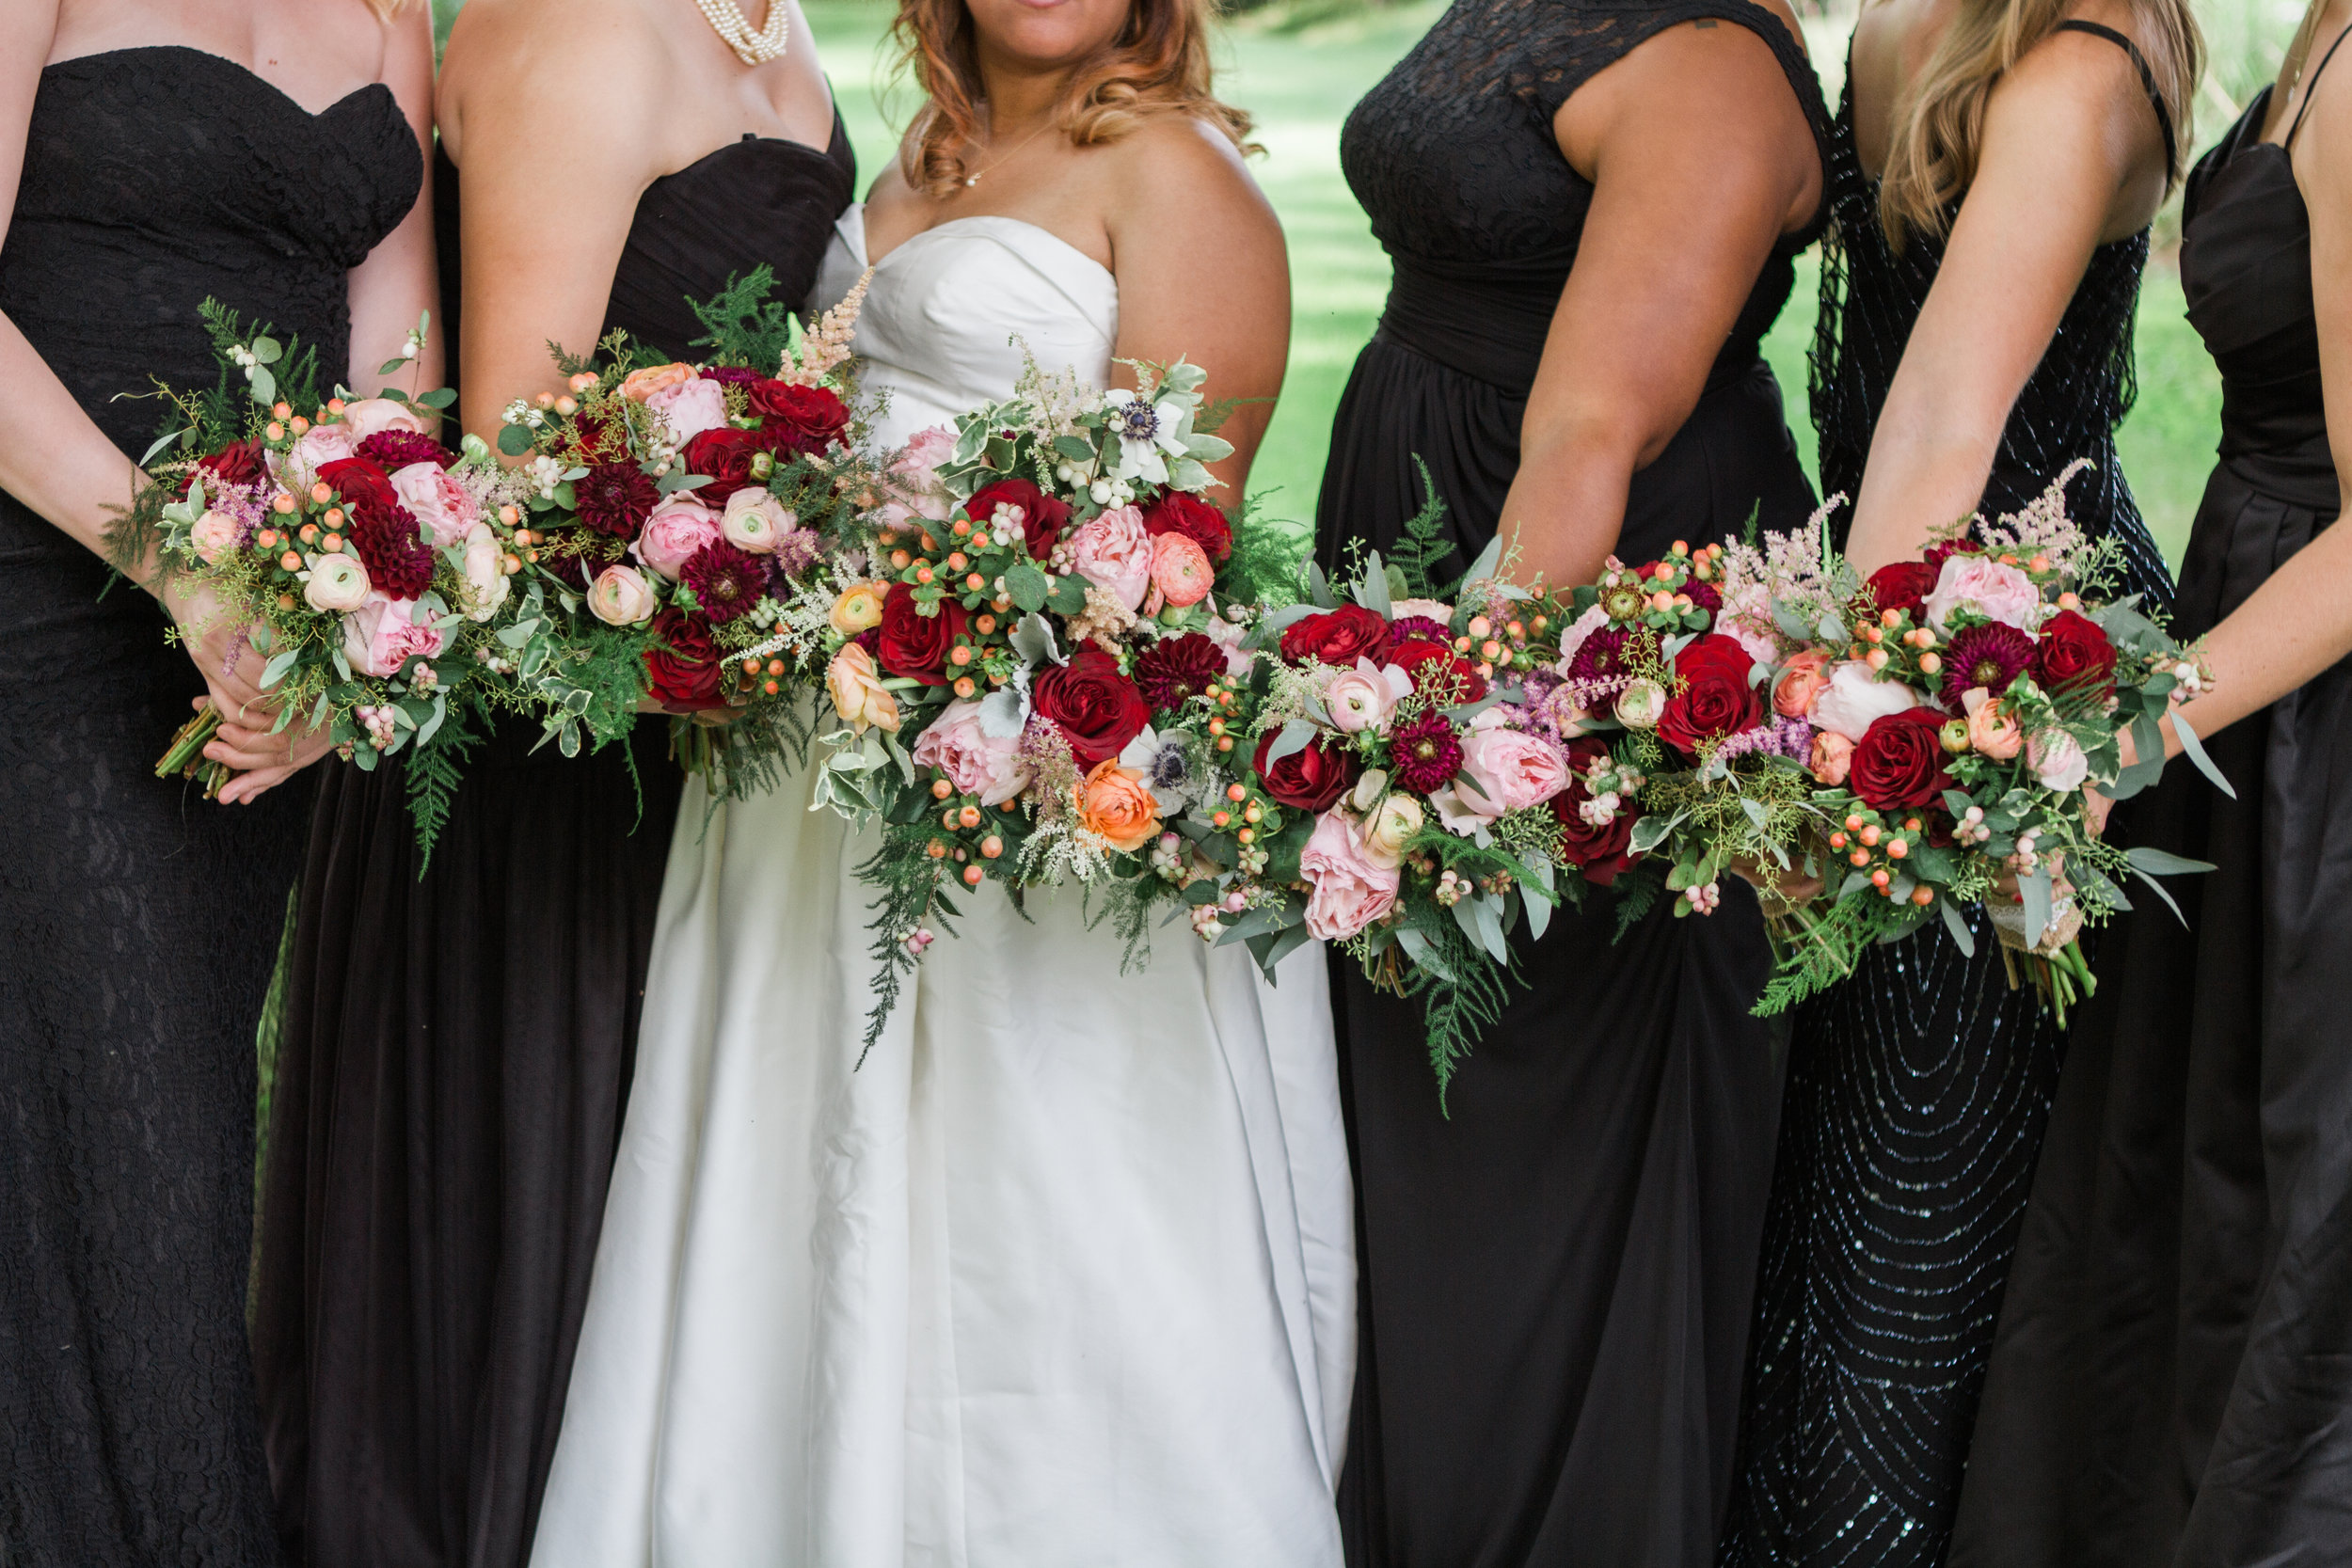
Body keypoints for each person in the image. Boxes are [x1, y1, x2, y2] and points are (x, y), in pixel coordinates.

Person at [527, 0, 1354, 1560]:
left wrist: (979, 666)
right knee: (793, 1174)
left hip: (1023, 785)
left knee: (1043, 1207)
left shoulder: (1180, 177)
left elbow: (1184, 538)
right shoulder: (924, 152)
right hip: (808, 766)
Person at [245, 1, 850, 1562]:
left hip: (702, 718)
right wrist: (729, 566)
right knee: (539, 1193)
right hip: (539, 737)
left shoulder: (772, 27)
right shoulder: (583, 32)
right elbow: (519, 455)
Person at [1312, 1, 1827, 1562]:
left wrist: (1446, 751)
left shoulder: (1711, 64)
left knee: (1534, 1145)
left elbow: (1596, 428)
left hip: (1586, 641)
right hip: (1439, 545)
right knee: (1419, 1130)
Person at [1718, 0, 2200, 1562]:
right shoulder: (1901, 28)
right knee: (1826, 1192)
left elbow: (1940, 429)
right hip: (1881, 629)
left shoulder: (2073, 60)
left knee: (1923, 1219)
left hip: (2000, 693)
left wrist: (1821, 738)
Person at [0, 0, 437, 1562]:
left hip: (264, 655)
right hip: (44, 615)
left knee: (167, 1161)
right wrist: (174, 562)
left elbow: (403, 374)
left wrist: (357, 643)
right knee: (139, 1160)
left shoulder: (393, 15)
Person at [1945, 2, 2352, 1560]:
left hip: (2307, 726)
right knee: (2206, 1216)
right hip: (2255, 699)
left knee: (2298, 1224)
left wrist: (2133, 731)